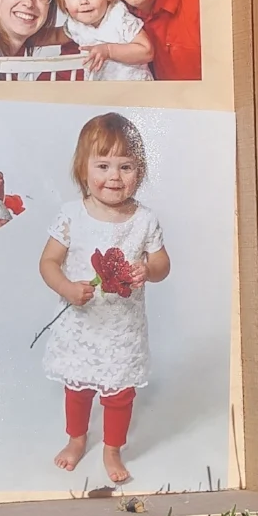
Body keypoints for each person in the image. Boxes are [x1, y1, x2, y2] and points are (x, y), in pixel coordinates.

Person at [39, 112, 170, 483]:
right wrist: (66, 287)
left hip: (122, 329)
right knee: (77, 389)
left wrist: (148, 269)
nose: (115, 176)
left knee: (119, 394)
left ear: (139, 172)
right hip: (82, 325)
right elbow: (48, 263)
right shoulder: (71, 216)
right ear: (83, 170)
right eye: (103, 165)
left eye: (125, 166)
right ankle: (77, 439)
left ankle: (112, 449)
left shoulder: (144, 220)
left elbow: (162, 264)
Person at [35, 0, 154, 81]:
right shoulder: (76, 24)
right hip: (102, 90)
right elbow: (56, 36)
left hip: (135, 87)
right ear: (63, 1)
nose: (83, 1)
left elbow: (146, 51)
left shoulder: (118, 17)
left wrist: (109, 51)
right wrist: (25, 38)